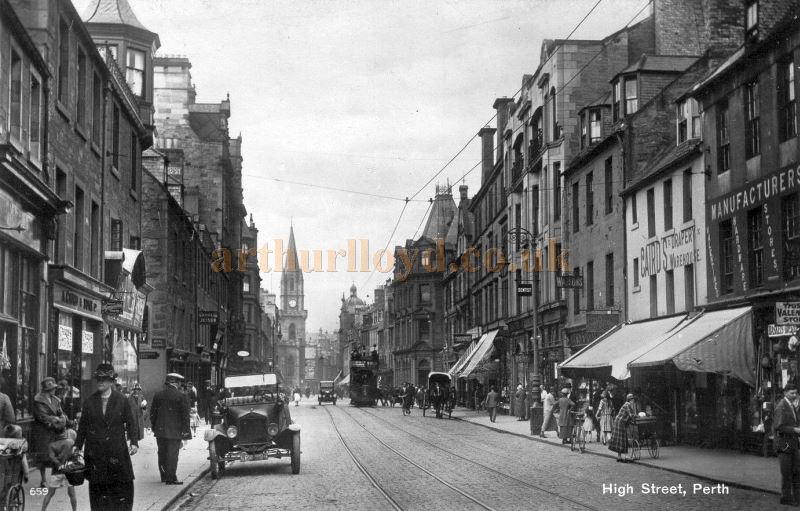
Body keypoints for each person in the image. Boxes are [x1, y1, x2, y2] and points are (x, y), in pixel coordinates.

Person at [74, 363, 139, 510]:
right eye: (99, 379)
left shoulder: (121, 400)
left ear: (111, 382)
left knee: (121, 488)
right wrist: (77, 446)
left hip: (117, 451)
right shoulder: (90, 401)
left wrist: (134, 442)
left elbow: (131, 423)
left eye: (104, 379)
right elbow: (83, 426)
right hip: (96, 453)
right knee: (98, 492)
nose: (101, 382)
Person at [150, 373, 191, 485]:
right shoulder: (181, 396)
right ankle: (171, 478)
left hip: (160, 430)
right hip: (175, 431)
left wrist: (154, 428)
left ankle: (163, 476)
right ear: (177, 383)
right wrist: (186, 432)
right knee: (172, 454)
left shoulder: (158, 395)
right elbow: (185, 416)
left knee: (162, 453)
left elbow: (152, 414)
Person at [33, 377, 67, 486]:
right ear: (46, 390)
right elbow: (41, 416)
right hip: (43, 431)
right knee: (43, 457)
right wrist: (54, 419)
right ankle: (43, 480)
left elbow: (59, 411)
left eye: (54, 388)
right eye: (52, 388)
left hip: (55, 431)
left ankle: (56, 479)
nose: (54, 390)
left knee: (57, 455)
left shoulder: (55, 400)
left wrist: (62, 418)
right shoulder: (38, 400)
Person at [41, 424, 77, 511]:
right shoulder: (71, 442)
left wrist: (59, 463)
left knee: (49, 494)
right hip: (69, 471)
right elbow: (75, 455)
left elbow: (52, 458)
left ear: (54, 433)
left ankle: (42, 510)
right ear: (64, 431)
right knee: (72, 494)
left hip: (56, 471)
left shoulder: (52, 445)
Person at [775, 383, 800, 505]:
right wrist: (795, 430)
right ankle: (786, 498)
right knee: (787, 472)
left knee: (796, 471)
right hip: (784, 443)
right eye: (792, 393)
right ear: (785, 393)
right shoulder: (781, 406)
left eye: (795, 393)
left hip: (792, 442)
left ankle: (796, 498)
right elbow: (779, 427)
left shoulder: (791, 406)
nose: (794, 395)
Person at [608, 393, 638, 462]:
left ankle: (619, 457)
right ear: (630, 400)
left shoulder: (627, 404)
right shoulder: (628, 405)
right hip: (620, 423)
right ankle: (626, 457)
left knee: (619, 440)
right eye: (632, 399)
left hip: (618, 422)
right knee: (623, 439)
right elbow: (631, 415)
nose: (633, 401)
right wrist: (638, 416)